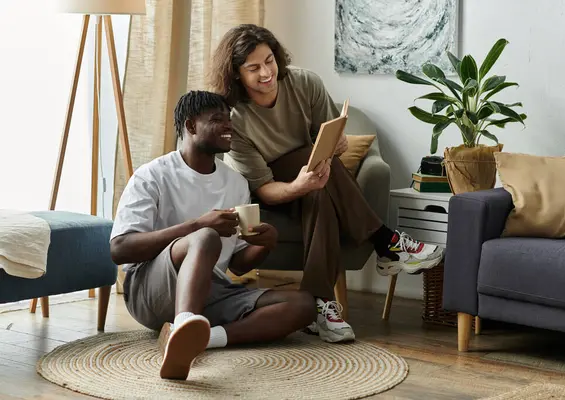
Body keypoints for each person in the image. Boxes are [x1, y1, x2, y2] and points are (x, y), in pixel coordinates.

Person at [209, 24, 445, 343]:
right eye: (253, 68)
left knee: (319, 188)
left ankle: (319, 303)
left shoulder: (305, 82)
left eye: (269, 60)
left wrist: (338, 145)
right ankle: (386, 242)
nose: (266, 72)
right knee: (311, 162)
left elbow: (330, 139)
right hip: (267, 195)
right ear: (236, 74)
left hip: (315, 182)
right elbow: (264, 189)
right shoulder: (233, 119)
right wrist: (300, 184)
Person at [109, 90, 316, 381]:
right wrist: (196, 226)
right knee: (205, 237)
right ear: (191, 126)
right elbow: (120, 249)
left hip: (211, 290)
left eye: (229, 119)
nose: (229, 126)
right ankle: (184, 324)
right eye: (218, 120)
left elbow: (237, 266)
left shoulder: (236, 182)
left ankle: (199, 339)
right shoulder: (152, 176)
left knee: (304, 305)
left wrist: (266, 244)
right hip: (149, 291)